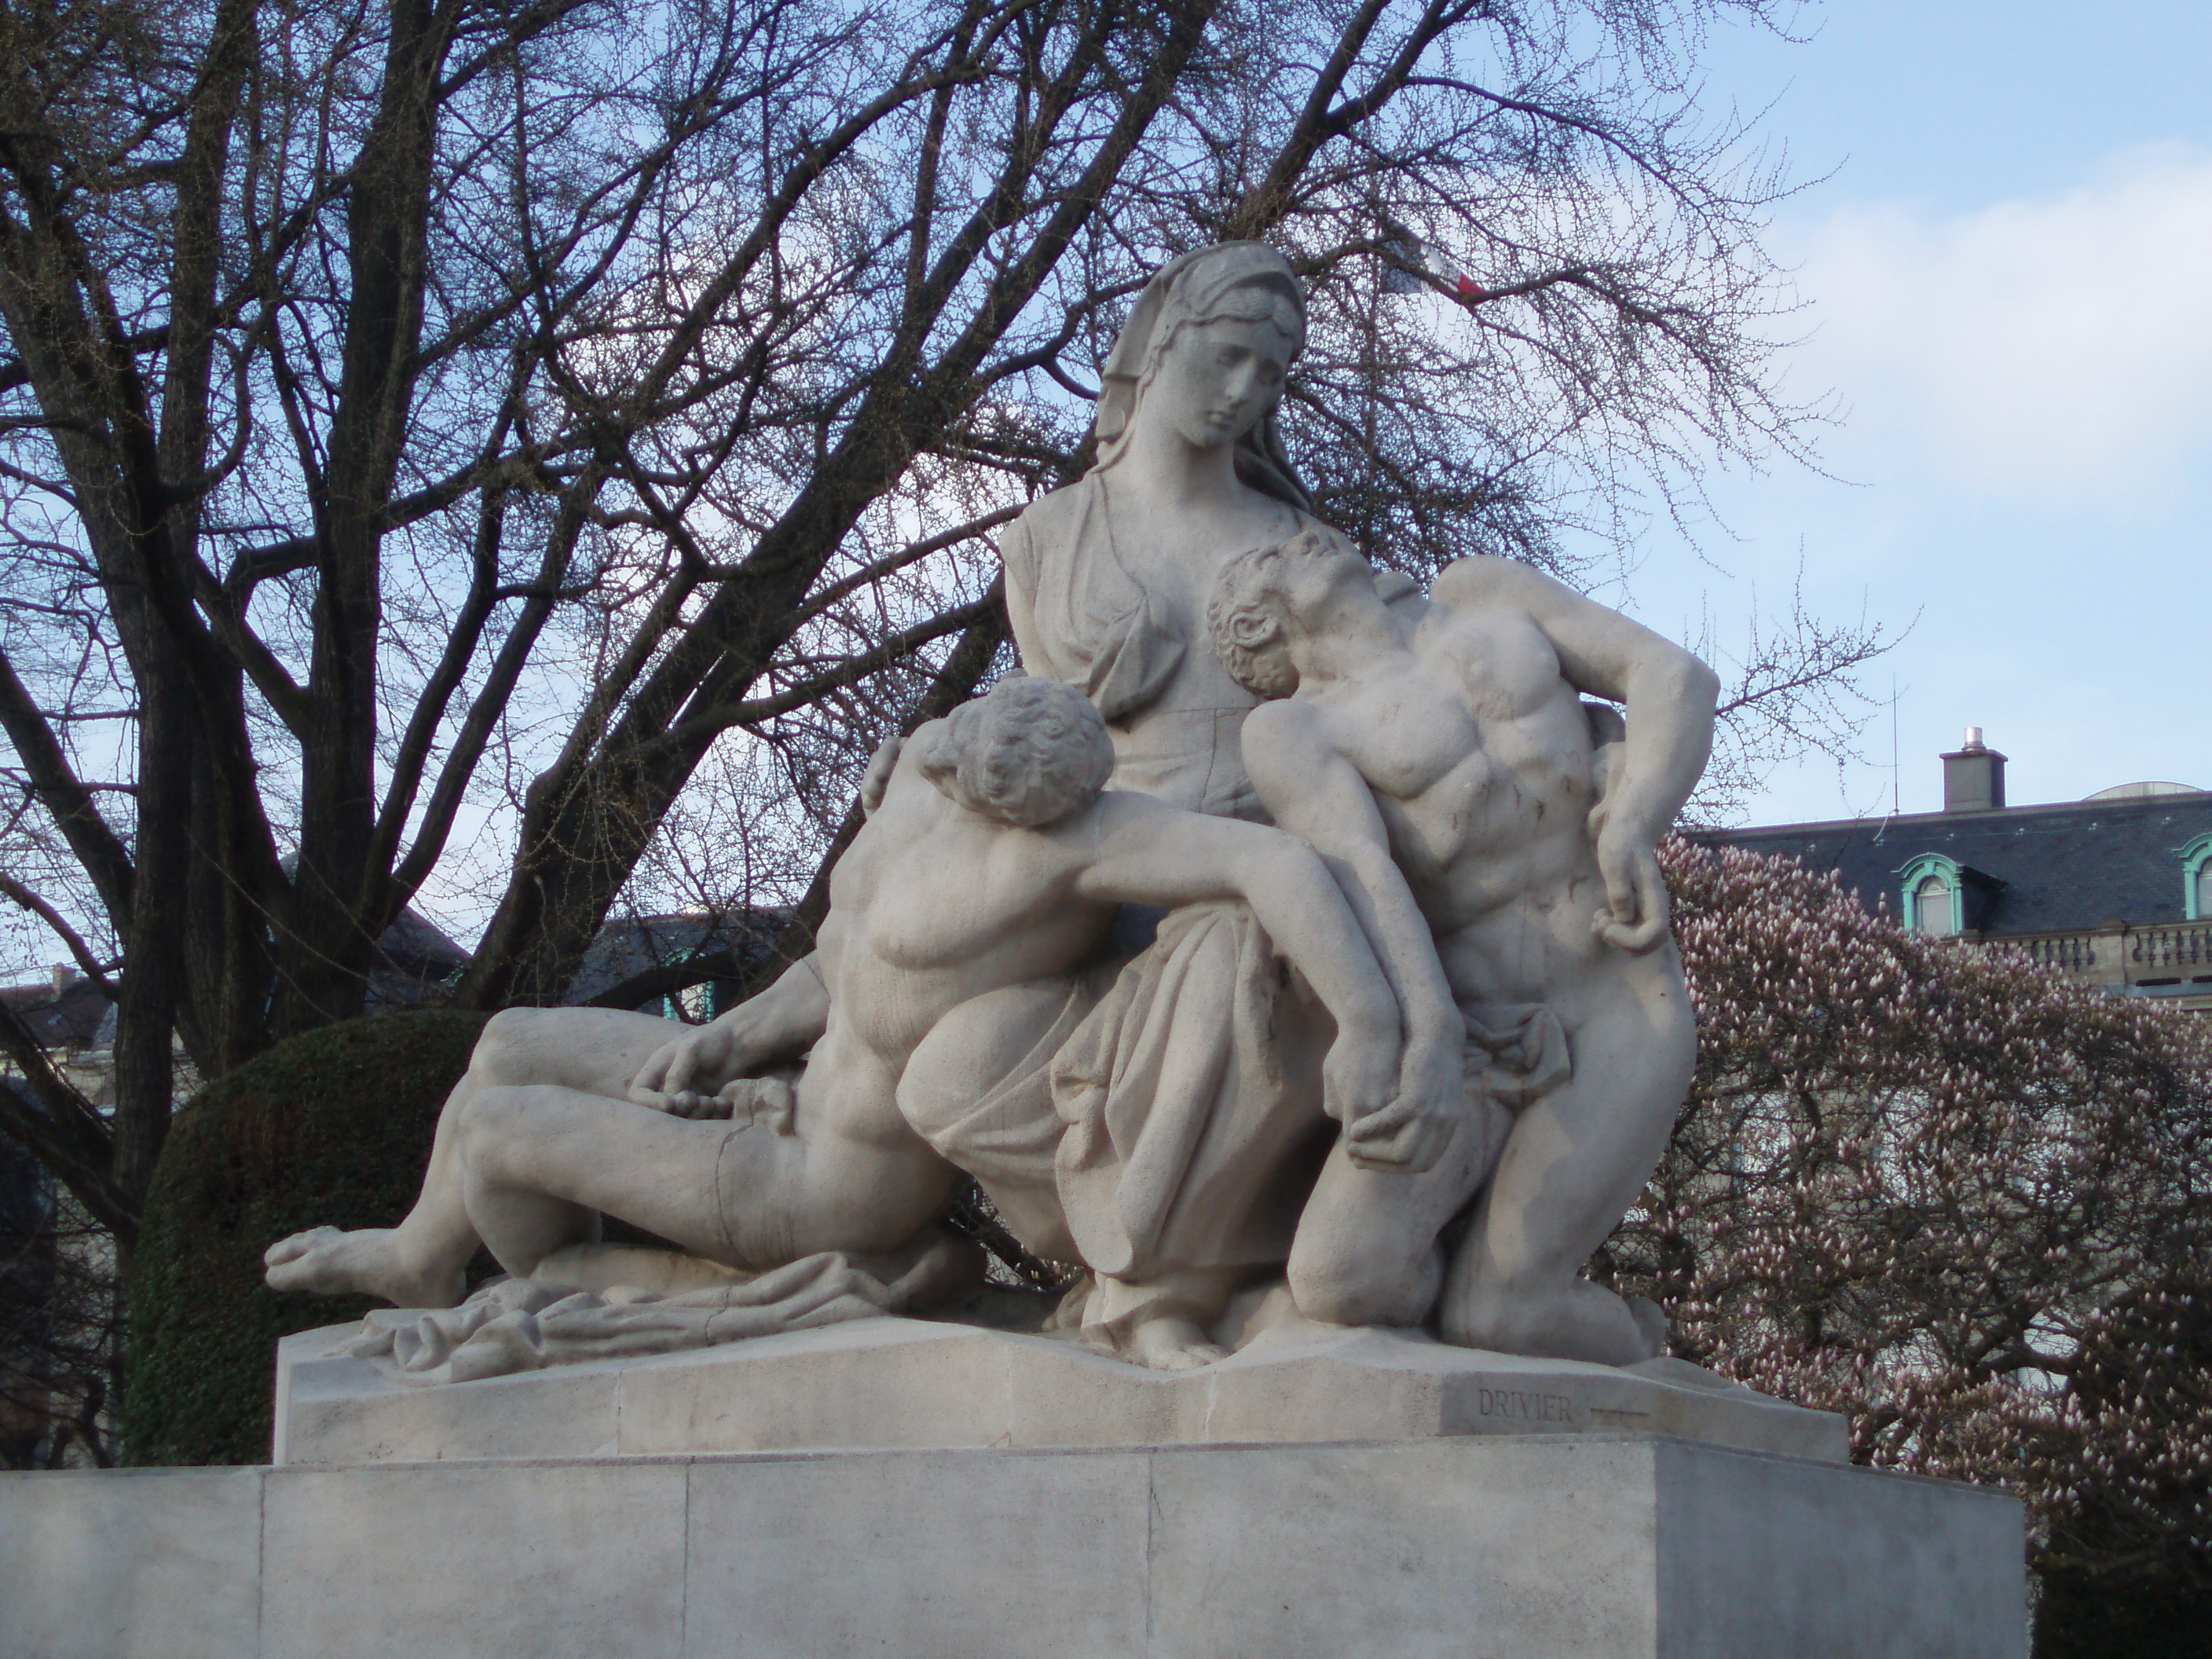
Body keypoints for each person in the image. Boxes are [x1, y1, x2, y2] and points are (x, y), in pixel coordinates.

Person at [266, 678, 1412, 1370]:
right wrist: (735, 1036)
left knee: (496, 1130)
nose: (994, 788)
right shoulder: (927, 767)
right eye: (985, 765)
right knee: (508, 1040)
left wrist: (1366, 1018)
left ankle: (450, 1265)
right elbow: (842, 959)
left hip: (833, 1179)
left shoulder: (1084, 841)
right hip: (785, 1089)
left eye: (1029, 797)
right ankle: (464, 1254)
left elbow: (1275, 864)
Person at [995, 243, 1461, 1361]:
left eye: (1276, 371)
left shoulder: (1297, 547)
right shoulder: (1050, 538)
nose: (1249, 390)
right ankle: (1146, 1281)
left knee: (1308, 922)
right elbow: (1042, 744)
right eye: (1232, 355)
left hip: (1281, 831)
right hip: (1122, 850)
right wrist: (933, 753)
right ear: (1163, 338)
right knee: (1248, 926)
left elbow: (1410, 661)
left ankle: (1197, 1279)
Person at [1210, 525, 1719, 1365]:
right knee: (1341, 1282)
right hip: (1475, 1032)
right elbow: (1364, 878)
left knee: (1505, 1317)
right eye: (1271, 553)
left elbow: (1670, 676)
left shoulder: (1482, 593)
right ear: (1259, 627)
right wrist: (1432, 1037)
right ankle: (1450, 1296)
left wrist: (1634, 817)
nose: (1299, 532)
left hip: (1613, 1001)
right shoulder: (1293, 733)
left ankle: (1645, 1356)